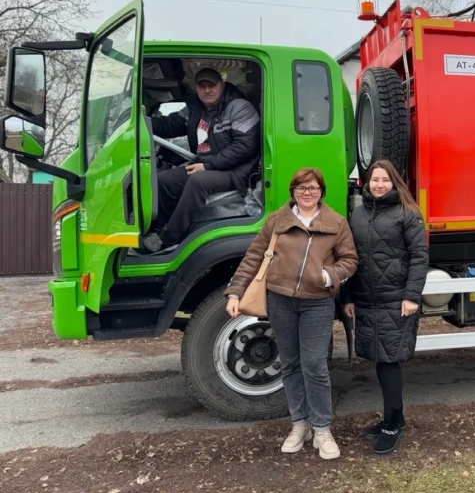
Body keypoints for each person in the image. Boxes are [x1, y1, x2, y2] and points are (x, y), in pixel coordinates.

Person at [224, 167, 358, 460]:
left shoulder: (336, 223)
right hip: (280, 302)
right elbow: (253, 257)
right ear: (292, 192)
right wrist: (235, 292)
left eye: (312, 188)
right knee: (290, 364)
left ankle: (322, 428)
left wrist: (328, 276)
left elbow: (350, 260)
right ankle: (300, 425)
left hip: (317, 303)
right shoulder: (277, 221)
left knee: (315, 365)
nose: (307, 193)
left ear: (322, 191)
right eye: (301, 188)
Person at [341, 159, 429, 454]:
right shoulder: (358, 213)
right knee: (380, 359)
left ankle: (392, 423)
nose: (379, 184)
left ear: (395, 183)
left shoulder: (408, 213)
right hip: (366, 299)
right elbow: (352, 259)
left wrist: (411, 296)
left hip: (395, 300)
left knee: (389, 360)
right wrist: (348, 297)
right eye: (375, 179)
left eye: (385, 180)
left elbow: (419, 257)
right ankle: (396, 417)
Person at [140, 67, 261, 253]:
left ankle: (170, 238)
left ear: (221, 85)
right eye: (202, 86)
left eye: (212, 85)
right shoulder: (195, 109)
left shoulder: (239, 107)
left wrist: (207, 165)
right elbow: (170, 125)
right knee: (163, 180)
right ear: (196, 88)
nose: (207, 90)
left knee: (198, 181)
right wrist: (139, 121)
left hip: (236, 171)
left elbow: (245, 147)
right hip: (206, 166)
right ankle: (158, 230)